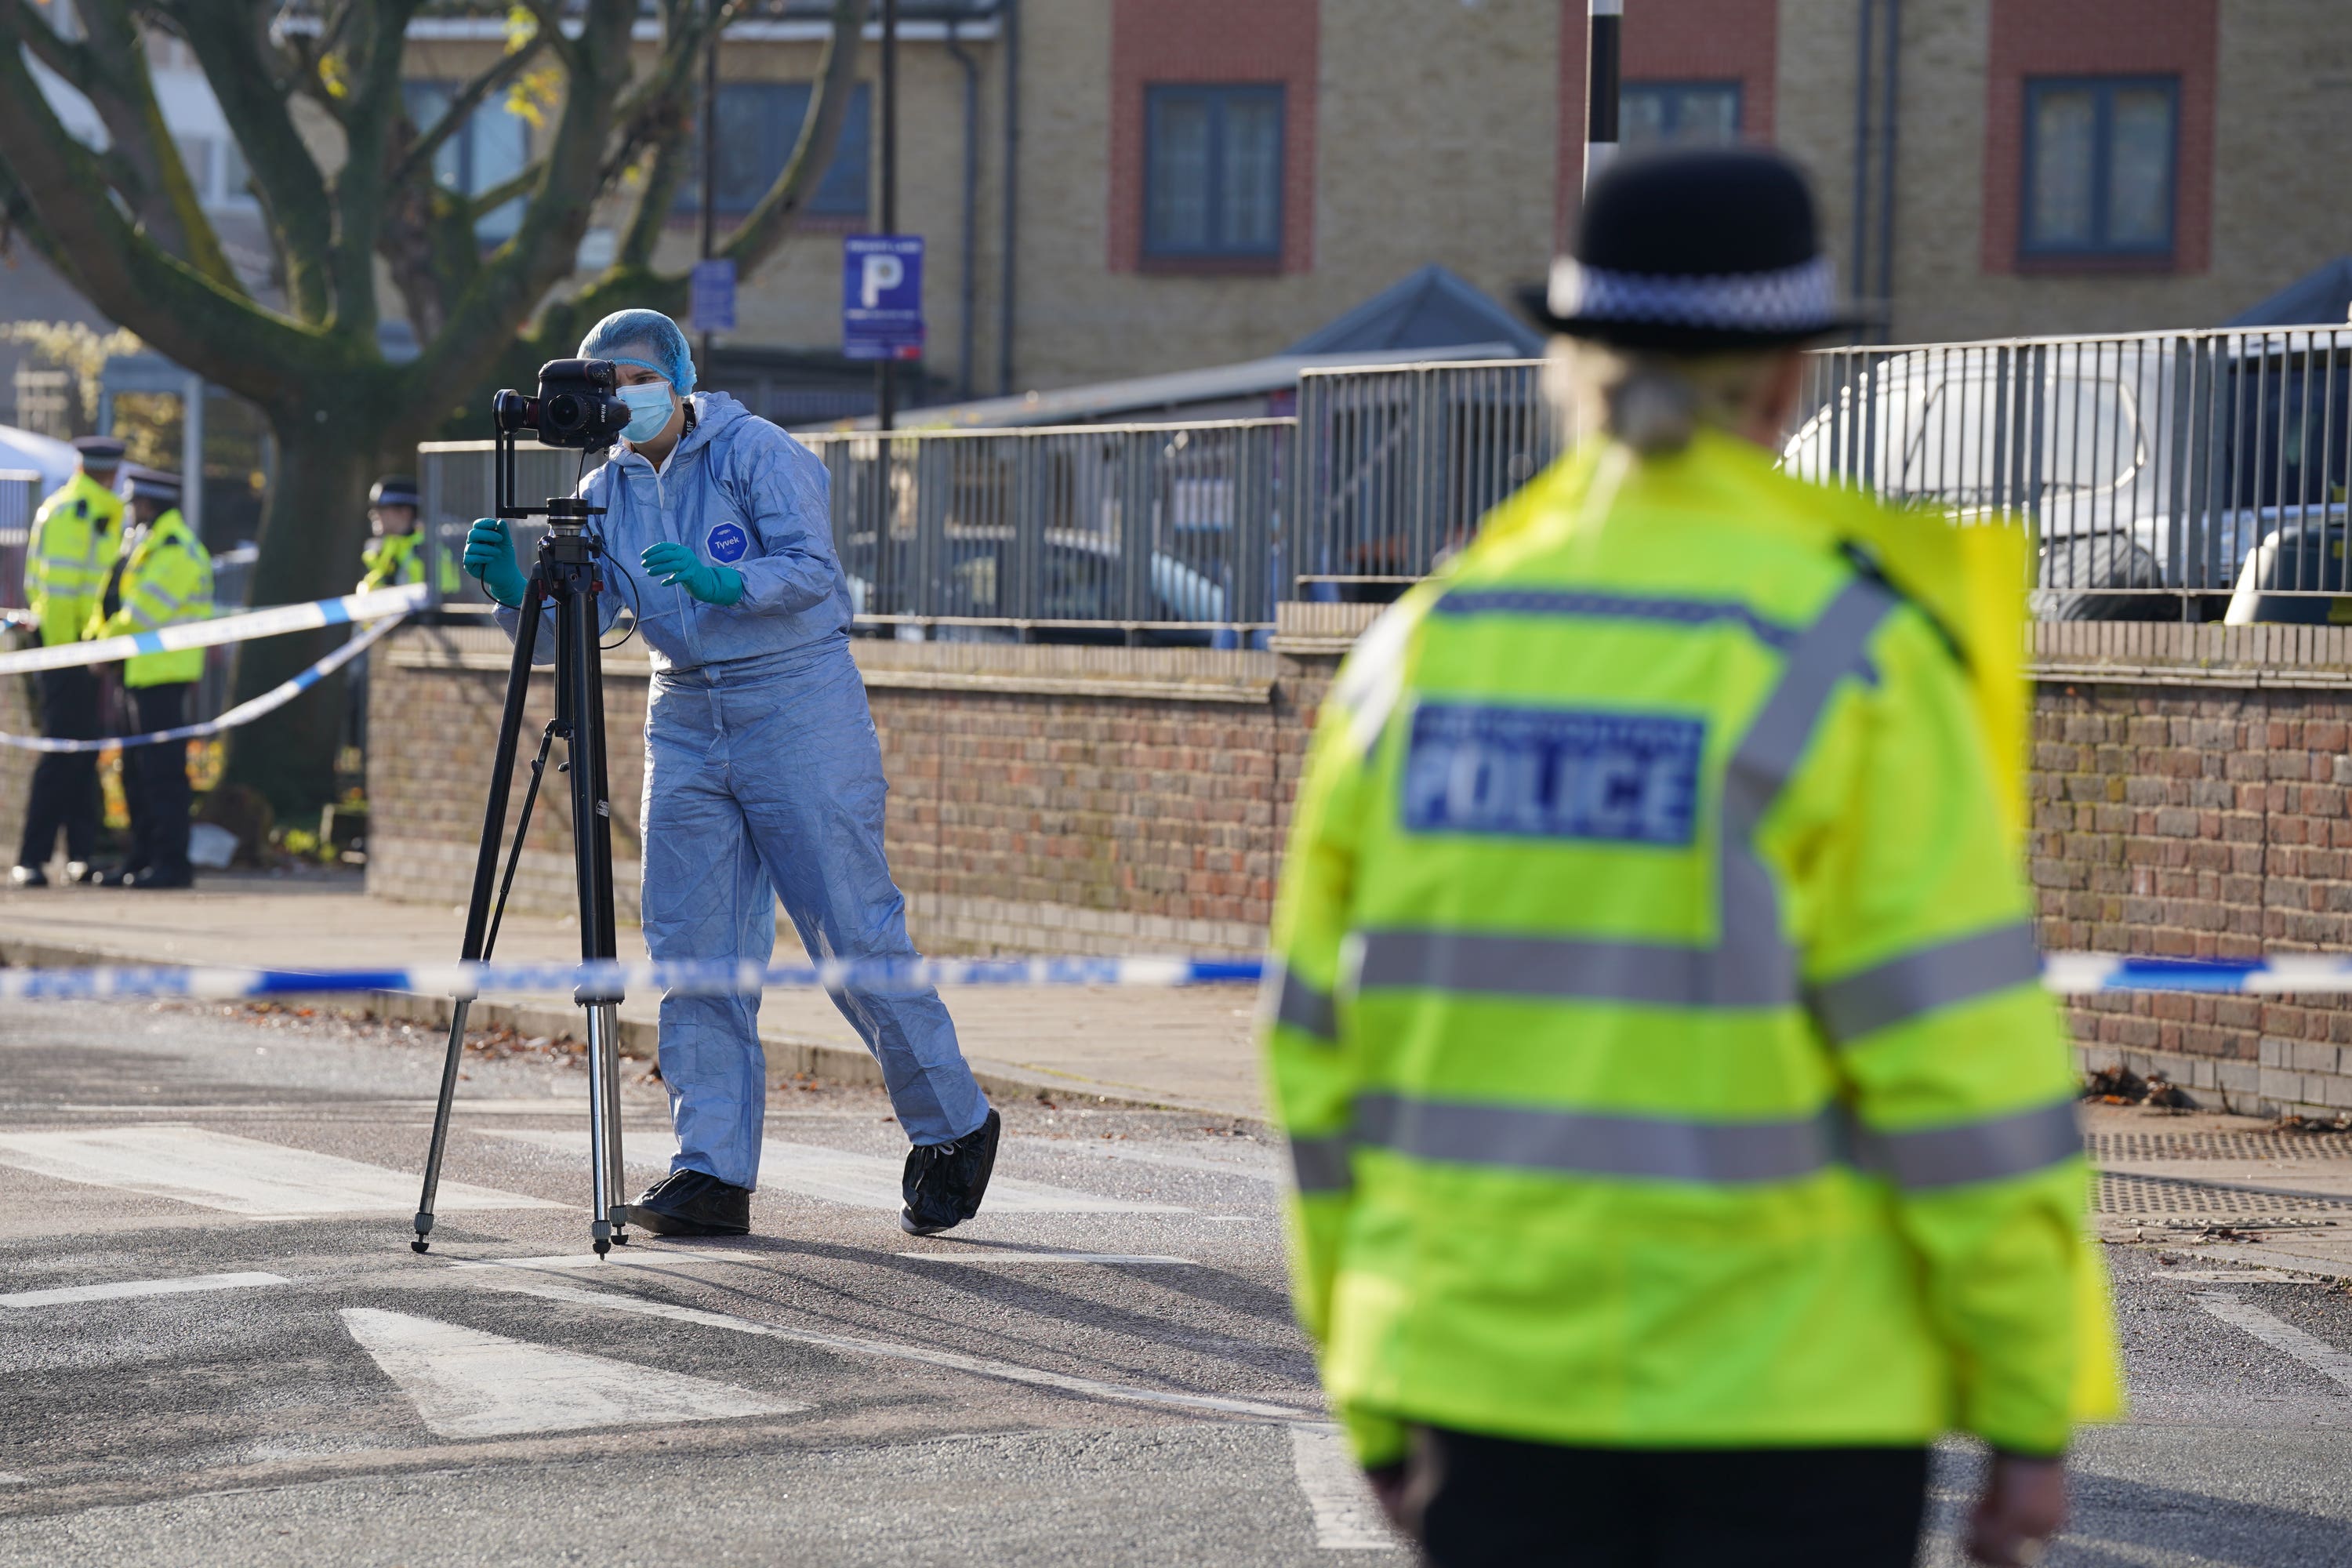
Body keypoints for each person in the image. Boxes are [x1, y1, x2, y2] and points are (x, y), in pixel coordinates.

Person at [1260, 147, 2120, 1568]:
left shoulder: (1416, 658)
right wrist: (2028, 1406)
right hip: (1793, 1405)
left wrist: (1372, 1393)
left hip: (1480, 1389)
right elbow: (1961, 1071)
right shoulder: (1852, 660)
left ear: (1576, 365)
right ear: (1787, 378)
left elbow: (1315, 1064)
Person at [463, 309, 1000, 1239]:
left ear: (678, 377)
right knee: (693, 944)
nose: (616, 398)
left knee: (850, 926)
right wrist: (519, 598)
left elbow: (814, 573)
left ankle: (954, 1124)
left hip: (795, 698)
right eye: (599, 384)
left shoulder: (757, 450)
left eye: (632, 378)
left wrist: (729, 584)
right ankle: (711, 1167)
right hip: (682, 709)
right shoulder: (607, 486)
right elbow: (593, 631)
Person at [87, 466, 212, 890]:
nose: (129, 512)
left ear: (149, 504)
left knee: (163, 774)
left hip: (163, 674)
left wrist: (101, 646)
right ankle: (141, 858)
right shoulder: (147, 545)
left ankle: (171, 863)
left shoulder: (176, 549)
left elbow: (141, 615)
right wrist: (96, 640)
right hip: (136, 671)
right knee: (136, 773)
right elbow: (112, 599)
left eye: (134, 504)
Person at [11, 435, 125, 888]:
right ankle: (32, 858)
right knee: (61, 755)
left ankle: (81, 854)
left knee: (82, 752)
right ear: (109, 472)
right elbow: (58, 595)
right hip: (70, 653)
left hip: (87, 651)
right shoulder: (74, 514)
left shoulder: (93, 511)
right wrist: (72, 654)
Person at [357, 474, 461, 595]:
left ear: (405, 512)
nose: (374, 514)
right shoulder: (385, 548)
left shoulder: (429, 549)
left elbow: (443, 595)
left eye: (382, 508)